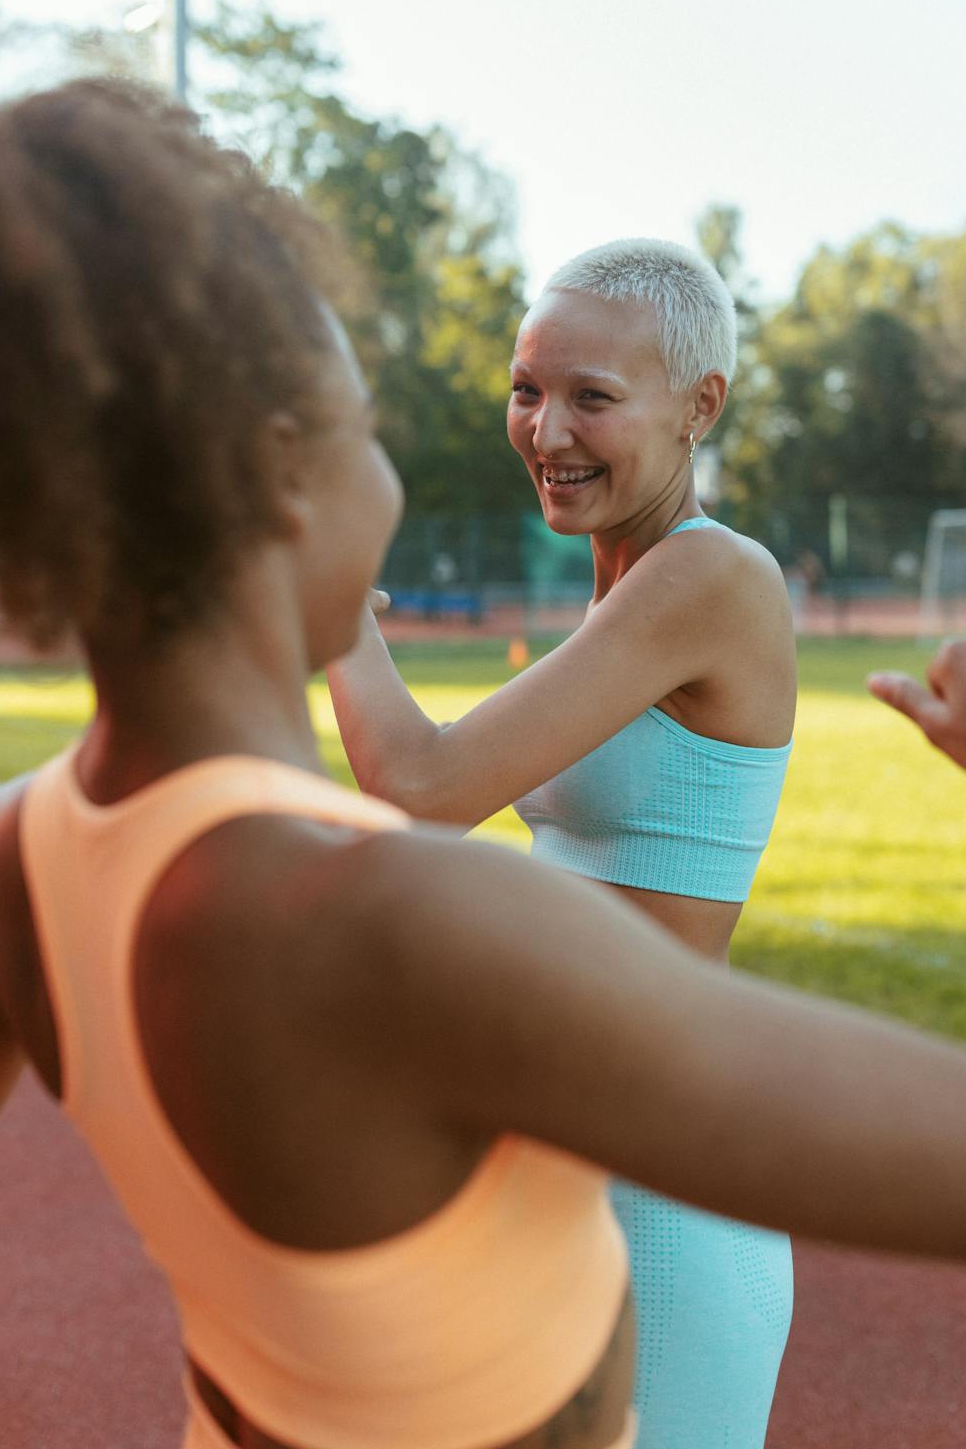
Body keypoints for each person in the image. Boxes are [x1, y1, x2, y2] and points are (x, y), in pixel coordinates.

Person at [0, 82, 966, 1449]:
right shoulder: (421, 925)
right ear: (283, 481)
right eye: (366, 428)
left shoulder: (1, 865)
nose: (511, 437)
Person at [329, 239, 802, 1445]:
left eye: (593, 395)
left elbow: (424, 784)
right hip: (564, 1165)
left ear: (703, 407)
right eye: (527, 386)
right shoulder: (624, 589)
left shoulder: (710, 578)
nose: (546, 428)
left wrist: (326, 608)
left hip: (665, 1184)